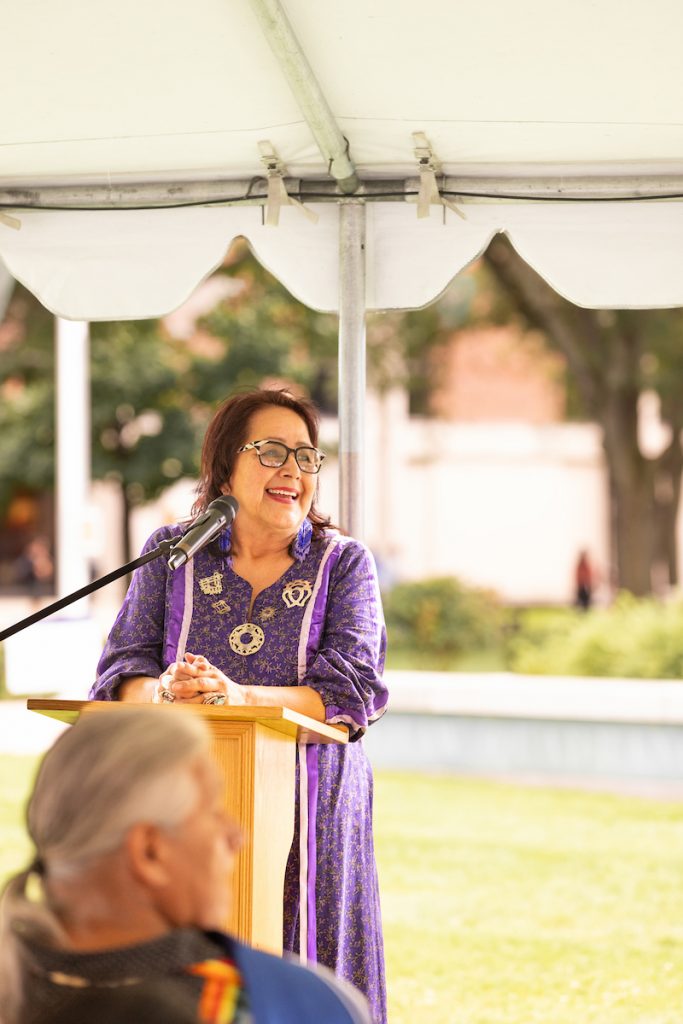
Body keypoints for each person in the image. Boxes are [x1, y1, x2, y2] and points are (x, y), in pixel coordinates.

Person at [90, 388, 389, 1024]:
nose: (293, 471)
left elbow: (351, 691)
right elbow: (121, 671)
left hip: (311, 816)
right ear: (226, 463)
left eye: (307, 457)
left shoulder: (344, 565)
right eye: (272, 451)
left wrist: (236, 696)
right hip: (179, 817)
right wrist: (169, 691)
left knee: (304, 970)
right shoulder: (173, 554)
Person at [0, 708, 371, 1024]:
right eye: (213, 811)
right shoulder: (291, 1006)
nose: (235, 835)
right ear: (150, 853)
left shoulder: (18, 983)